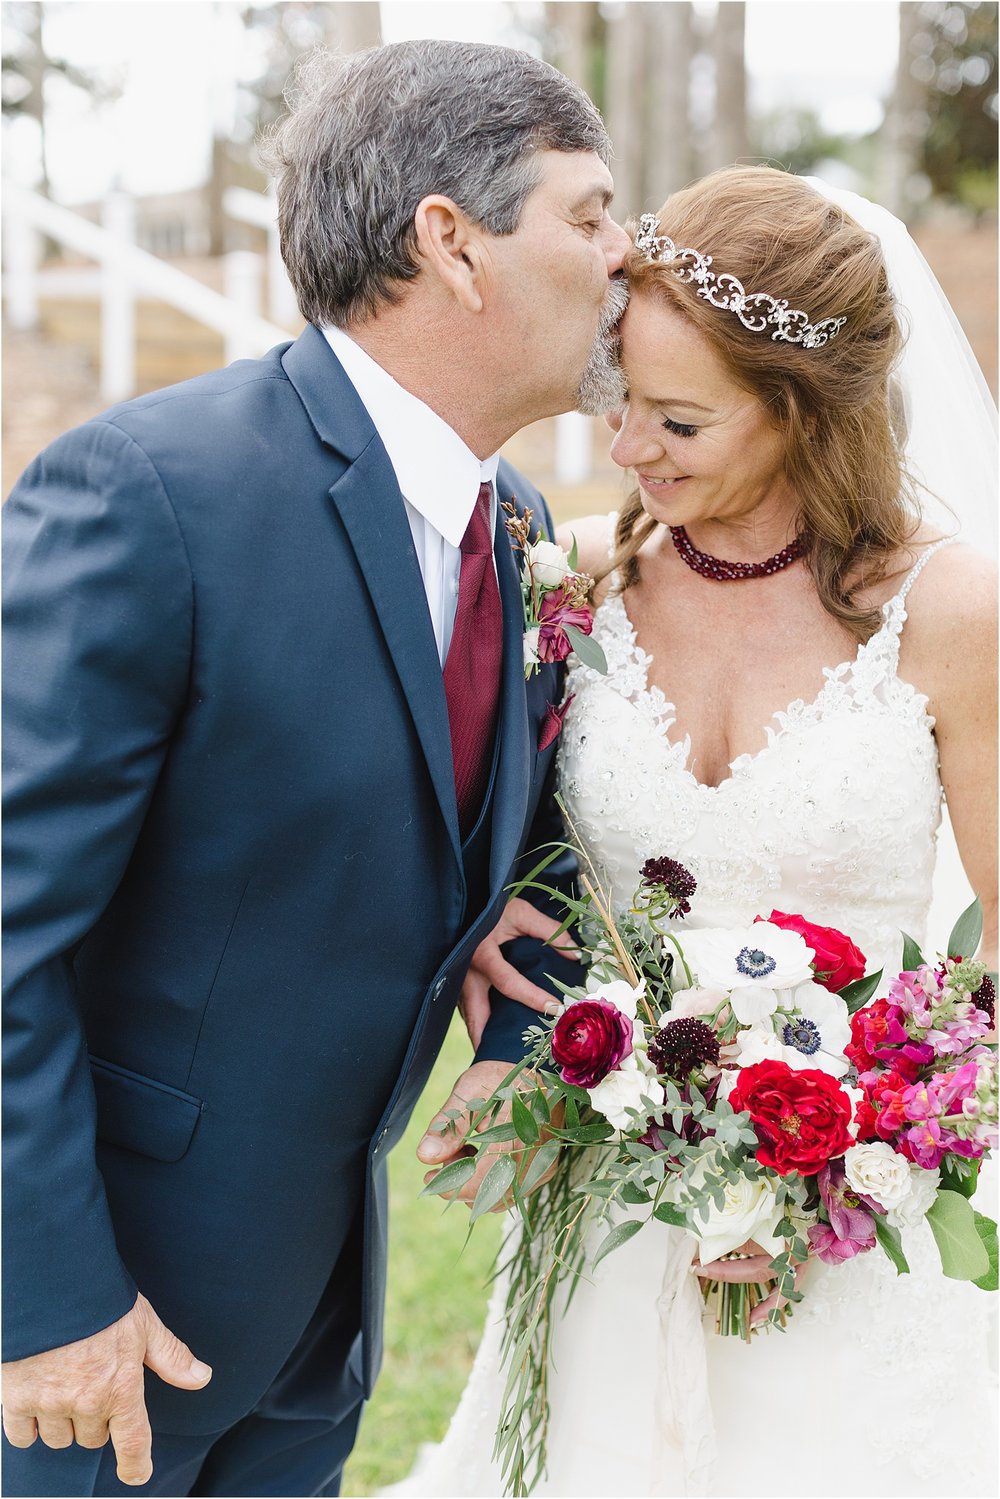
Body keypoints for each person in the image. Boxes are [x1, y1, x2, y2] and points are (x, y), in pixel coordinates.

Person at [1, 39, 630, 1498]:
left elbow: (524, 859)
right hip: (101, 1346)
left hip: (314, 1328)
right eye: (591, 213)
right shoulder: (152, 494)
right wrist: (43, 1307)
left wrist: (527, 1053)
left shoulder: (521, 524)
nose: (628, 254)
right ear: (451, 243)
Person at [396, 167, 998, 1497]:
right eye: (622, 404)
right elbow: (517, 857)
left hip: (863, 1220)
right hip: (609, 1212)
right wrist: (505, 1010)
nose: (627, 450)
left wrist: (857, 1157)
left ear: (801, 413)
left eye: (677, 420)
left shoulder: (950, 614)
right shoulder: (583, 584)